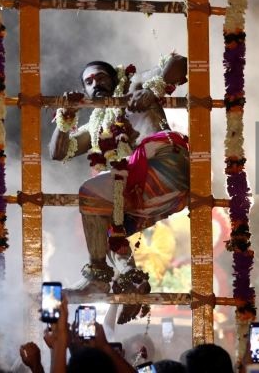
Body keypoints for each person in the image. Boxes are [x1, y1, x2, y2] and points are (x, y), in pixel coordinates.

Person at [49, 53, 188, 324]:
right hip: (148, 191)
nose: (95, 83)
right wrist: (66, 116)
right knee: (109, 226)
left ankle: (98, 278)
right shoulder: (96, 126)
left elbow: (179, 63)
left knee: (89, 193)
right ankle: (131, 281)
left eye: (101, 77)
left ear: (115, 78)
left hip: (165, 167)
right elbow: (58, 152)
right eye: (89, 81)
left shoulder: (133, 85)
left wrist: (151, 90)